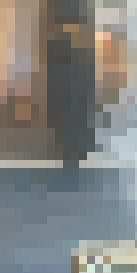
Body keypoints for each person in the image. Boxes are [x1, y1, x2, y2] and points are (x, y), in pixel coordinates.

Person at [45, 19, 96, 176]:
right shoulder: (64, 58)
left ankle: (74, 154)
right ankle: (73, 154)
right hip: (69, 99)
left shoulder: (78, 58)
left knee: (72, 124)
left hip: (71, 99)